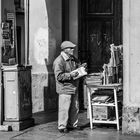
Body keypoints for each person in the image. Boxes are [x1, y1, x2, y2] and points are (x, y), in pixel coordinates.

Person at [53, 41, 86, 133]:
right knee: (64, 108)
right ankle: (62, 126)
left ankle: (72, 125)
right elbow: (59, 76)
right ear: (65, 49)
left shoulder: (73, 59)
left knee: (75, 107)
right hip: (65, 88)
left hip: (74, 87)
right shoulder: (59, 61)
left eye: (72, 48)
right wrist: (70, 75)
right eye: (70, 48)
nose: (72, 49)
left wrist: (82, 67)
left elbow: (78, 65)